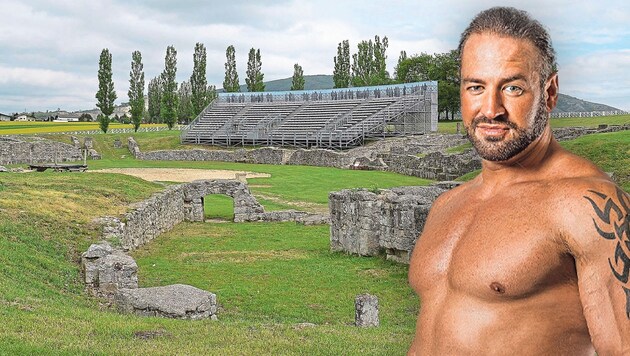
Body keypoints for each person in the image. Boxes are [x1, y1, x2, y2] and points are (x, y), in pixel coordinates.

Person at [408, 6, 630, 355]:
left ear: (550, 91)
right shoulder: (447, 205)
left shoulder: (590, 205)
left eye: (512, 88)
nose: (491, 108)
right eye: (476, 86)